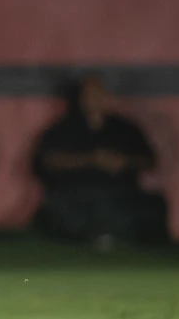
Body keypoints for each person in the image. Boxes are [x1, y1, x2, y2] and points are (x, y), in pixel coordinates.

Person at [32, 75, 167, 246]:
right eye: (87, 94)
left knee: (152, 207)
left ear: (105, 97)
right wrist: (91, 159)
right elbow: (47, 161)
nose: (91, 99)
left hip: (119, 196)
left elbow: (149, 161)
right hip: (76, 196)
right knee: (56, 210)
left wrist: (124, 161)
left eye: (96, 94)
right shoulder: (62, 129)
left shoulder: (125, 129)